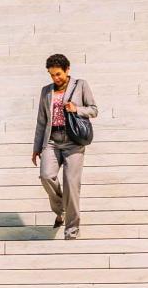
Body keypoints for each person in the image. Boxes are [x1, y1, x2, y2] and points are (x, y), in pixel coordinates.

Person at [31, 53, 98, 239]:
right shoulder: (46, 91)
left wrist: (77, 109)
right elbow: (41, 121)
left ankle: (72, 230)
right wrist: (37, 147)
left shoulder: (81, 85)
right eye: (52, 75)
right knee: (46, 176)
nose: (55, 78)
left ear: (67, 70)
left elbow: (94, 110)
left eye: (58, 74)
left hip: (73, 141)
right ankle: (60, 209)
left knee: (71, 185)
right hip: (51, 140)